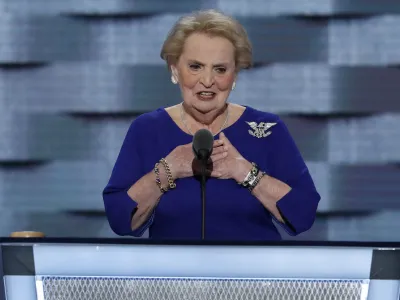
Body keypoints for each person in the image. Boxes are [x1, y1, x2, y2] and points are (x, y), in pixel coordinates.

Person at [102, 9, 320, 240]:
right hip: (174, 274)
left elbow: (303, 213)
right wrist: (169, 169)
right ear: (175, 69)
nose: (207, 81)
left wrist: (244, 171)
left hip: (253, 274)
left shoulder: (267, 128)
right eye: (195, 67)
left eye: (220, 69)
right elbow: (119, 218)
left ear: (234, 75)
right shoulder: (147, 129)